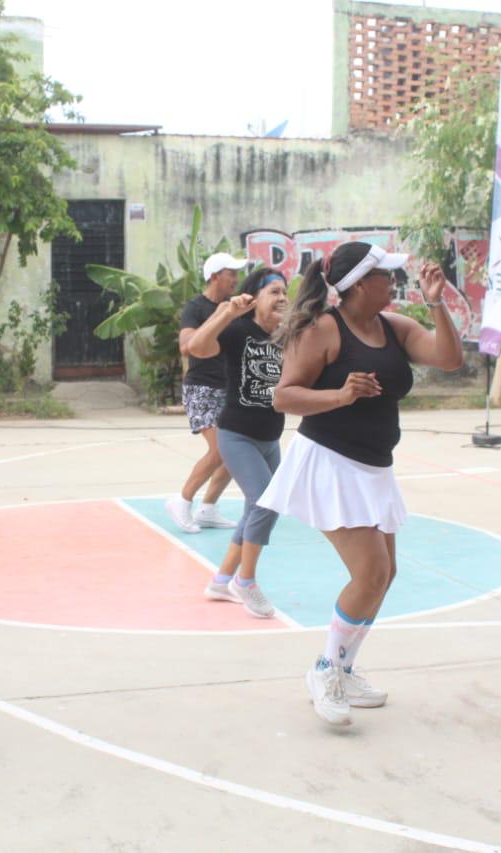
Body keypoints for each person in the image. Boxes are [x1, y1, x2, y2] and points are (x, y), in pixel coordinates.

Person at [259, 242, 462, 726]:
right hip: (330, 464)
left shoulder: (395, 327)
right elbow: (284, 397)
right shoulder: (323, 329)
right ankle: (325, 670)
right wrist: (341, 394)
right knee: (370, 573)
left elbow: (449, 358)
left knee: (384, 575)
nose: (392, 282)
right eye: (384, 275)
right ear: (357, 285)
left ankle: (344, 668)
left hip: (374, 468)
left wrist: (437, 302)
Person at [185, 266, 289, 618]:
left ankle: (221, 581)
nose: (282, 297)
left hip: (270, 437)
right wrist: (227, 312)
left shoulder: (286, 335)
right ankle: (246, 581)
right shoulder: (238, 330)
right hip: (237, 434)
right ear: (254, 298)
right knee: (264, 503)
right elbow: (196, 347)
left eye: (284, 292)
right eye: (274, 291)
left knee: (255, 510)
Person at [166, 252, 247, 533]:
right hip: (201, 387)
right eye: (231, 273)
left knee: (233, 450)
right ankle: (182, 500)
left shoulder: (236, 307)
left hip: (229, 387)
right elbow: (185, 346)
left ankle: (208, 508)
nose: (236, 279)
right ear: (214, 277)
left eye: (237, 273)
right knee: (220, 449)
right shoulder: (196, 308)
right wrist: (221, 315)